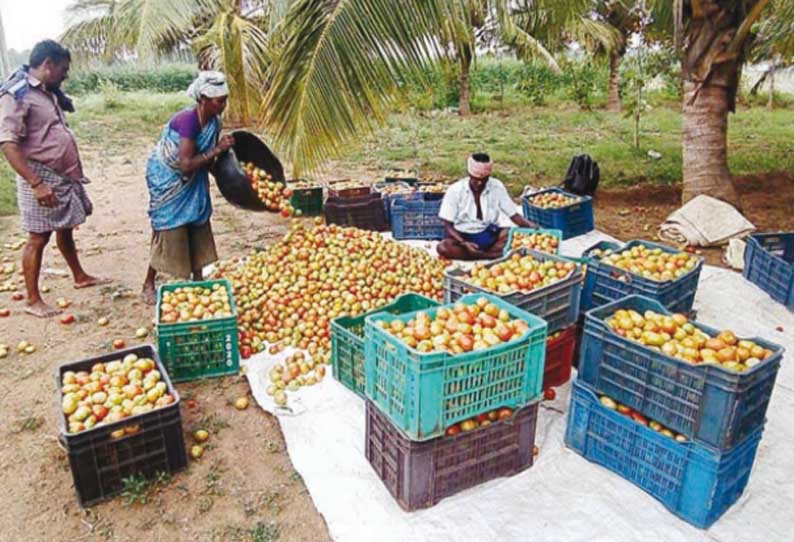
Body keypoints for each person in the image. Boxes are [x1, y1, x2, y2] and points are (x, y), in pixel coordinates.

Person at [0, 40, 110, 318]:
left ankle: (79, 275)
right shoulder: (17, 93)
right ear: (48, 64)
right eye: (63, 68)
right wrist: (36, 183)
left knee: (66, 228)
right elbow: (7, 143)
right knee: (38, 237)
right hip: (39, 175)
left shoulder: (47, 90)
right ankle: (33, 299)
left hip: (61, 175)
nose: (66, 74)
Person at [141, 71, 235, 304]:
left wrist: (232, 177)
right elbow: (185, 164)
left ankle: (198, 278)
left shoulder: (214, 122)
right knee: (168, 227)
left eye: (225, 99)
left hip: (195, 177)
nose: (223, 104)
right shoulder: (188, 121)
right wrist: (218, 150)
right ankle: (148, 282)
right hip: (169, 179)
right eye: (218, 100)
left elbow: (207, 160)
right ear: (203, 99)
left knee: (197, 222)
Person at [437, 153, 536, 260]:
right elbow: (448, 225)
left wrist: (532, 227)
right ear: (469, 174)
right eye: (475, 179)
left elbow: (513, 215)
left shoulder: (496, 186)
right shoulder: (455, 190)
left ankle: (479, 255)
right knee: (443, 248)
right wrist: (464, 243)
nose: (479, 183)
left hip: (487, 234)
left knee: (512, 234)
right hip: (462, 237)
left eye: (484, 180)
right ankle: (489, 255)